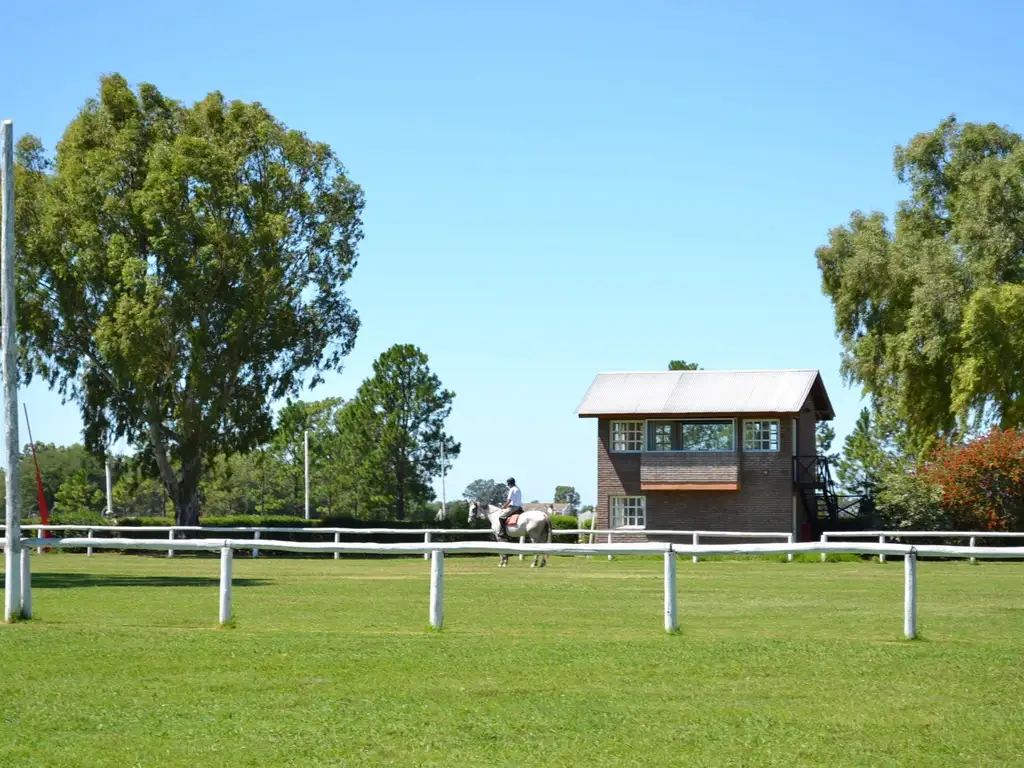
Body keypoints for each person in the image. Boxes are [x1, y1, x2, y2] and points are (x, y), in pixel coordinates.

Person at [498, 477, 522, 541]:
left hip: (513, 508)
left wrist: (503, 506)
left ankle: (503, 533)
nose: (508, 485)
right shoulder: (518, 489)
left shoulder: (512, 489)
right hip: (519, 507)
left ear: (509, 483)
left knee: (501, 517)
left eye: (508, 484)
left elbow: (508, 501)